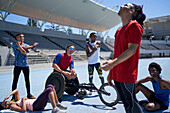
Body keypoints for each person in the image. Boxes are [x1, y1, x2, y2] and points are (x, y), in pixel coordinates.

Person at [100, 3, 146, 113]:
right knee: (126, 105)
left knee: (132, 103)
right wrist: (111, 72)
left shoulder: (134, 26)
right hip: (117, 73)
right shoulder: (119, 31)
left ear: (132, 11)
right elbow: (116, 53)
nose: (121, 6)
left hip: (127, 73)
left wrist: (112, 63)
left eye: (125, 5)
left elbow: (132, 50)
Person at [0, 84, 67, 113]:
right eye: (6, 106)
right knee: (49, 90)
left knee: (50, 86)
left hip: (36, 102)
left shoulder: (16, 101)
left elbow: (16, 90)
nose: (8, 104)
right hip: (35, 106)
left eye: (5, 102)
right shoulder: (12, 106)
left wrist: (9, 95)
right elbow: (23, 110)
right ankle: (55, 109)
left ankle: (57, 103)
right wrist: (23, 99)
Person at [12, 33, 39, 101]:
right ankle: (13, 97)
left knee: (27, 80)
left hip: (25, 65)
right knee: (15, 81)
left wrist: (21, 46)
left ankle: (29, 94)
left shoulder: (25, 45)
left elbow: (24, 52)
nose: (22, 38)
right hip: (17, 65)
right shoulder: (14, 44)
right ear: (17, 38)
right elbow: (23, 49)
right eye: (20, 37)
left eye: (23, 37)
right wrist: (32, 46)